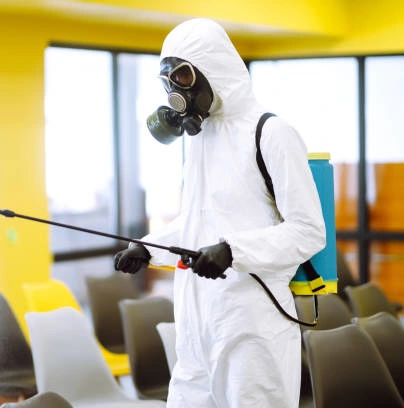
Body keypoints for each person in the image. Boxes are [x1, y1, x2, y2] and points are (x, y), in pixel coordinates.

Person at [114, 18, 326, 408]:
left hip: (252, 328)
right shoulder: (201, 141)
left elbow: (308, 230)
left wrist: (233, 251)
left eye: (183, 76)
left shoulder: (271, 133)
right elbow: (198, 223)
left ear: (214, 67)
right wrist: (147, 248)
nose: (176, 91)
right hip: (195, 323)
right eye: (167, 81)